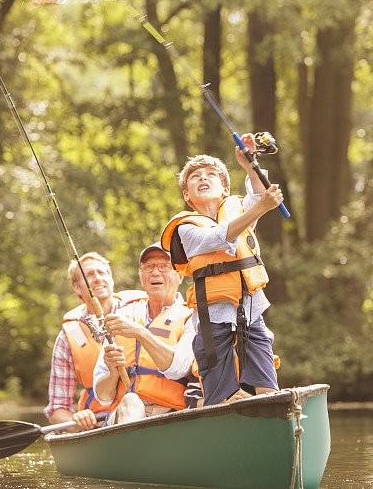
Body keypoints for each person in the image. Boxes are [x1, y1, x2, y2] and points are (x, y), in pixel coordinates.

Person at [160, 135, 284, 406]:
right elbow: (218, 237)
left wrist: (249, 164)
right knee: (221, 397)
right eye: (195, 178)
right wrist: (262, 207)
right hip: (211, 319)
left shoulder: (239, 208)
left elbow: (257, 194)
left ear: (225, 188)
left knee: (267, 389)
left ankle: (272, 416)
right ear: (187, 194)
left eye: (210, 175)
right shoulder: (185, 228)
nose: (203, 178)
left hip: (251, 311)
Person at [92, 243, 198, 423]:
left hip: (172, 415)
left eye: (164, 266)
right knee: (131, 401)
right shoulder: (122, 316)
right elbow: (103, 396)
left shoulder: (191, 316)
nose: (155, 273)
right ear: (141, 277)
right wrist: (112, 373)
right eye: (148, 267)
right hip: (125, 413)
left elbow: (178, 369)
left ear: (179, 275)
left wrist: (140, 333)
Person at [44, 252, 146, 432]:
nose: (98, 278)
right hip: (100, 424)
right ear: (77, 288)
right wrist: (76, 420)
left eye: (102, 273)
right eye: (89, 275)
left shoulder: (140, 311)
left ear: (111, 279)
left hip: (148, 410)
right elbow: (57, 409)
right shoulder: (69, 336)